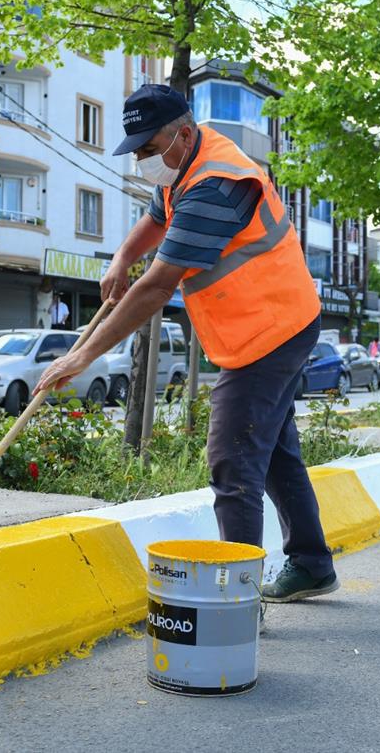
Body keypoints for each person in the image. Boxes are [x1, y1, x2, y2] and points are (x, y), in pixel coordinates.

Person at [35, 84, 337, 603]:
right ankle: (311, 564)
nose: (144, 163)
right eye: (138, 152)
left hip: (272, 329)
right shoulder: (186, 163)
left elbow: (157, 286)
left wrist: (82, 355)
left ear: (183, 133)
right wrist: (119, 259)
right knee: (274, 449)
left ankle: (236, 599)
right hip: (261, 325)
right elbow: (156, 215)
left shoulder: (215, 186)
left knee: (233, 456)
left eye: (150, 150)